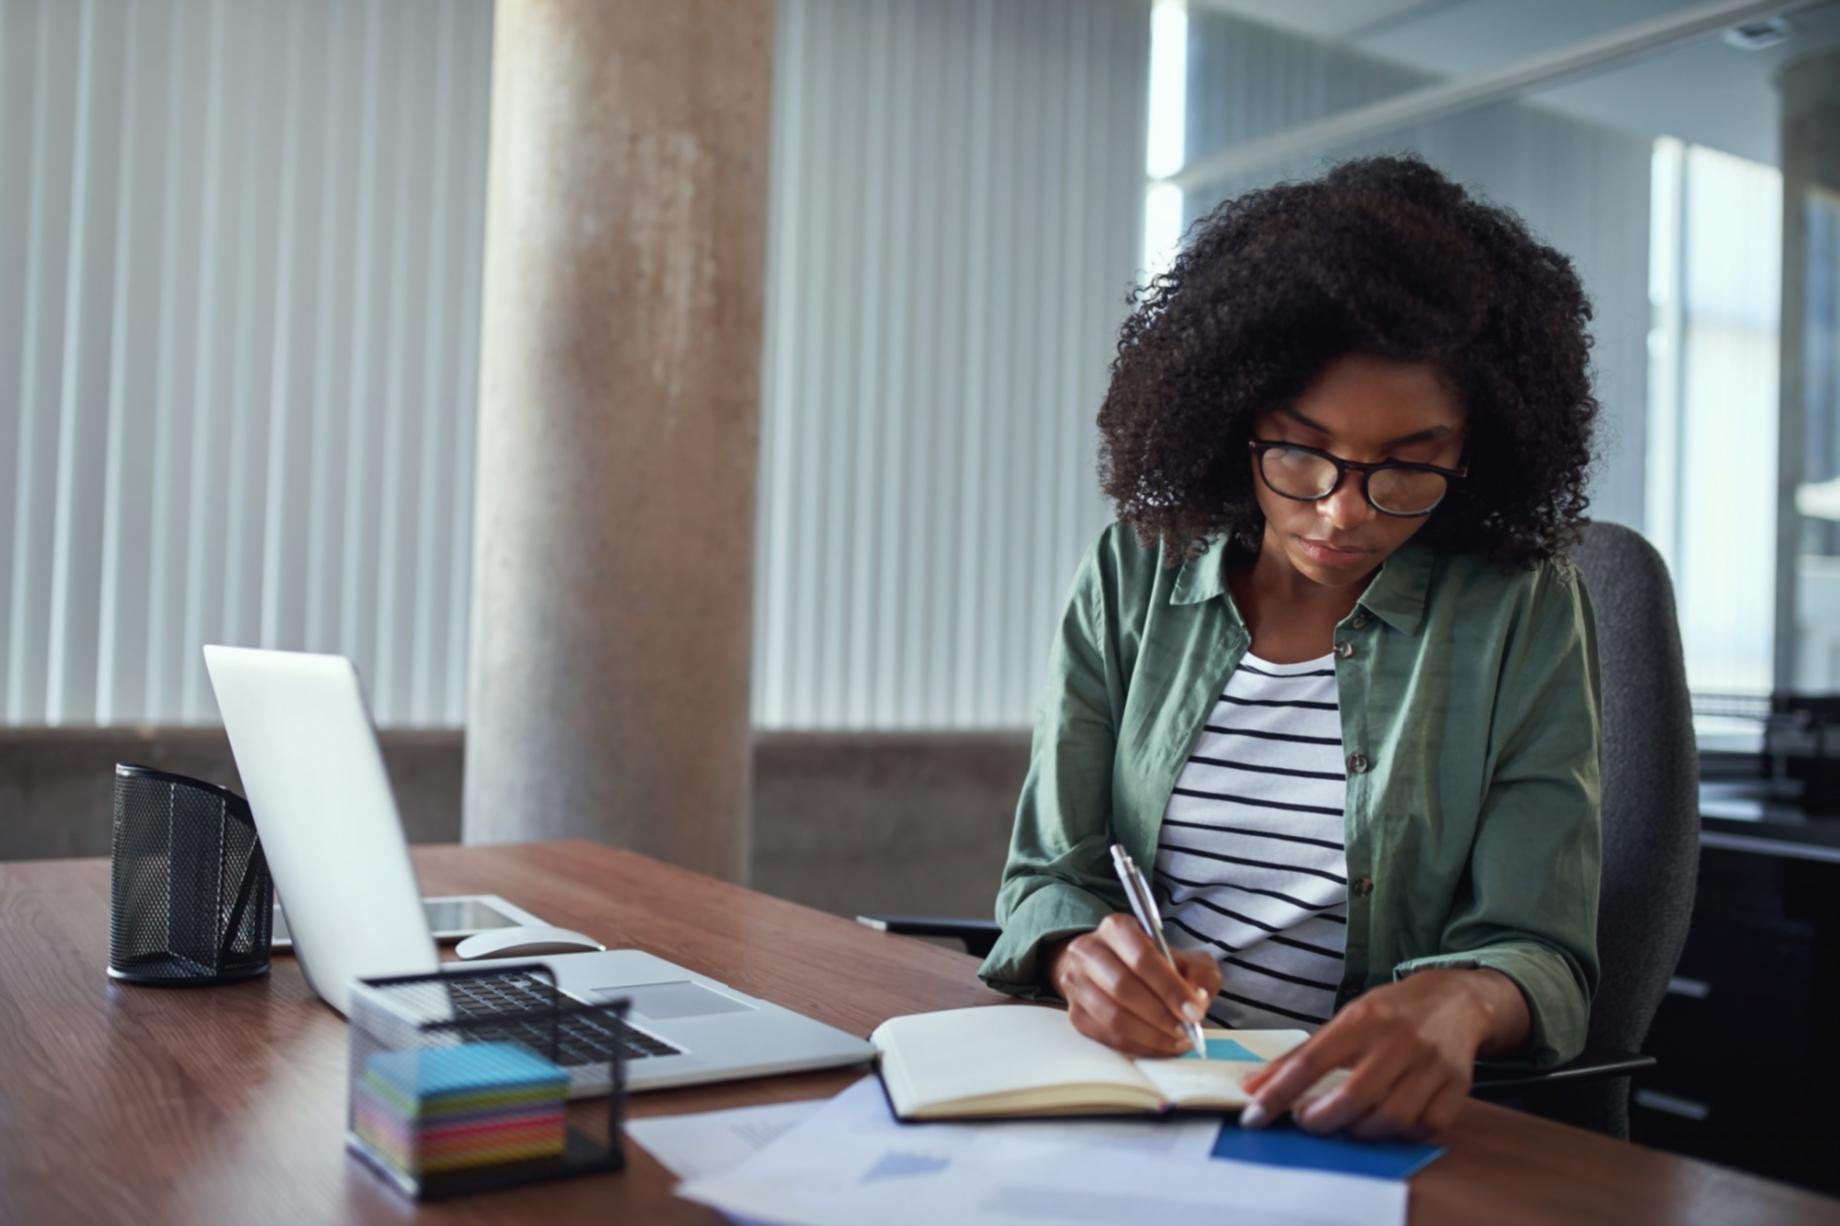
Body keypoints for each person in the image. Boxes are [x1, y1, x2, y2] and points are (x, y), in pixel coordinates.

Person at [977, 154, 1602, 1143]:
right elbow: (1050, 876)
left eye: (1408, 464)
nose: (1342, 510)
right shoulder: (1131, 573)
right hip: (1137, 1095)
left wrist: (1461, 1003)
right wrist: (1075, 955)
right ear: (1235, 419)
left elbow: (1539, 948)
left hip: (1359, 1125)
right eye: (1299, 450)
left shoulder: (1517, 609)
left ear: (1473, 450)